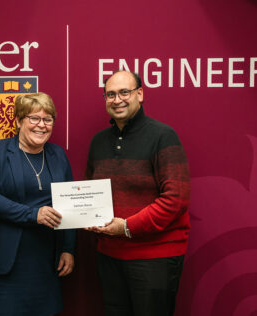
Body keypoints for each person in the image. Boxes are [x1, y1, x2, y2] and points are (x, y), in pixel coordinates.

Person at [85, 70, 190, 316]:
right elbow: (89, 190)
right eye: (110, 94)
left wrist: (127, 226)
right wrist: (85, 216)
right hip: (110, 255)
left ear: (140, 94)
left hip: (154, 257)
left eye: (124, 92)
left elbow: (175, 200)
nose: (117, 99)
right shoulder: (98, 141)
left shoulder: (163, 136)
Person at [0, 92, 76, 316]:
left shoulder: (58, 155)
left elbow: (70, 203)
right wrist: (32, 214)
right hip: (2, 261)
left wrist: (68, 248)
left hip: (45, 262)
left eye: (47, 119)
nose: (41, 125)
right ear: (18, 121)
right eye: (33, 118)